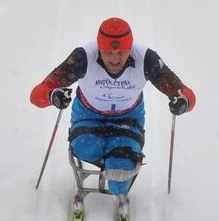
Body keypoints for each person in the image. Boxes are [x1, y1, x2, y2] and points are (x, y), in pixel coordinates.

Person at [30, 17, 195, 200]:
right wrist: (52, 96)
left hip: (128, 119)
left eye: (122, 52)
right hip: (88, 115)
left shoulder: (147, 59)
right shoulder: (82, 57)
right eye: (108, 52)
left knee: (119, 179)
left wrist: (182, 102)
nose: (115, 59)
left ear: (131, 48)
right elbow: (37, 94)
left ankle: (117, 160)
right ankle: (111, 154)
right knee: (86, 148)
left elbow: (185, 93)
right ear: (99, 47)